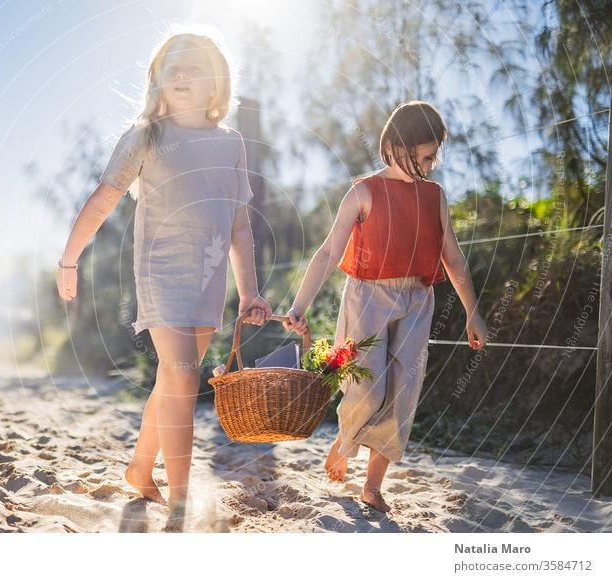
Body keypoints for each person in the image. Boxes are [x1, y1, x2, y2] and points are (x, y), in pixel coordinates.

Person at [56, 29, 271, 530]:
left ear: (217, 84)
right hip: (161, 274)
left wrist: (251, 291)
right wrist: (69, 260)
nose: (182, 75)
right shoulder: (146, 136)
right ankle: (178, 501)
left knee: (172, 379)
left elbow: (240, 224)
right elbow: (103, 199)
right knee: (185, 376)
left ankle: (138, 467)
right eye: (172, 67)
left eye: (195, 67)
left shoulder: (231, 143)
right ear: (156, 79)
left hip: (208, 277)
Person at [283, 101, 488, 513]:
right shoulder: (363, 191)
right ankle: (346, 439)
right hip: (366, 297)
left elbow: (453, 257)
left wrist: (472, 311)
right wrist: (300, 304)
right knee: (364, 386)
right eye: (426, 156)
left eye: (434, 157)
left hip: (417, 299)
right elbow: (327, 253)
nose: (431, 165)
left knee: (403, 391)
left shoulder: (435, 197)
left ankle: (373, 485)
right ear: (397, 145)